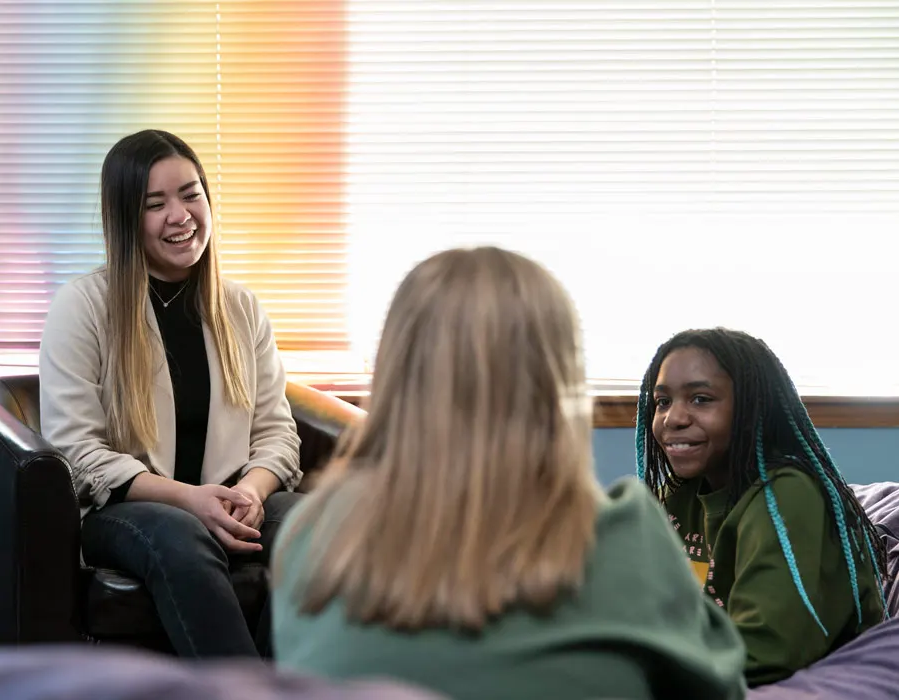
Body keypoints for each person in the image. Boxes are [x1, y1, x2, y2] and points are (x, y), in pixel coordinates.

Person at [271, 247, 747, 700]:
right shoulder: (626, 535)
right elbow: (721, 687)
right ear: (559, 384)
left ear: (397, 376)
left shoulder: (310, 536)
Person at [39, 129, 303, 658]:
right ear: (125, 219)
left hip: (231, 497)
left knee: (320, 527)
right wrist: (189, 499)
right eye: (154, 204)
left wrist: (251, 492)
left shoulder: (241, 307)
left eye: (190, 194)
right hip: (127, 510)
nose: (180, 215)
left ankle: (288, 684)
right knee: (182, 535)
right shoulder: (83, 306)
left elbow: (277, 432)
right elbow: (79, 454)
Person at [635, 328, 888, 687]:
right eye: (662, 401)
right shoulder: (677, 496)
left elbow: (766, 651)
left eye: (701, 399)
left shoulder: (787, 495)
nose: (673, 418)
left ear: (753, 409)